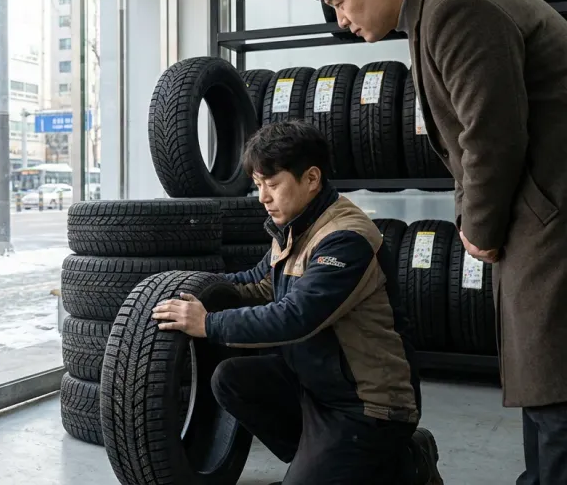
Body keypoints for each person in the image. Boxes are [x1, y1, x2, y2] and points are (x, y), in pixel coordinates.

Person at [299, 0, 567, 482]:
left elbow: (490, 134)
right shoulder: (438, 6)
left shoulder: (456, 6)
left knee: (556, 386)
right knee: (545, 383)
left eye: (341, 4)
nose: (342, 21)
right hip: (542, 210)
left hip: (553, 216)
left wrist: (479, 226)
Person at [152, 121, 443, 484]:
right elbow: (257, 284)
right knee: (230, 379)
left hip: (368, 405)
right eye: (258, 185)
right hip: (316, 384)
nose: (262, 197)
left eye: (272, 185)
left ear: (311, 178)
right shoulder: (294, 226)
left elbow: (295, 317)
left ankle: (406, 462)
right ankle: (326, 462)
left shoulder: (345, 238)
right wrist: (191, 288)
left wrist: (208, 323)